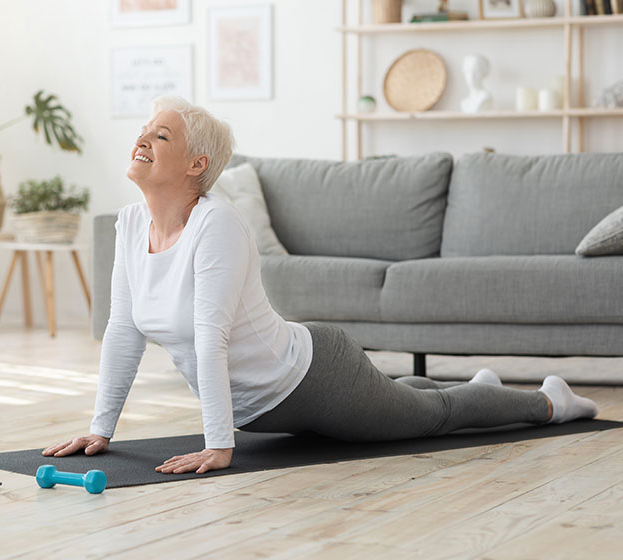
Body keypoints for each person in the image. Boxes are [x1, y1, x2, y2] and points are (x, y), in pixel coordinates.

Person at [42, 96, 599, 475]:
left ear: (196, 165)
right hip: (270, 404)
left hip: (313, 378)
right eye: (143, 130)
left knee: (433, 421)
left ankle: (551, 400)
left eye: (160, 134)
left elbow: (211, 338)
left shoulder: (218, 225)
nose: (142, 138)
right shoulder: (130, 222)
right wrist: (100, 429)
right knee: (405, 403)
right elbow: (122, 330)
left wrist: (218, 445)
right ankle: (476, 388)